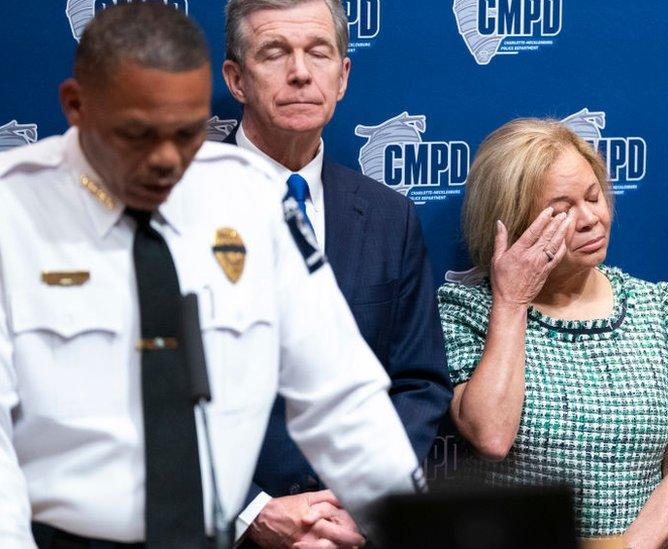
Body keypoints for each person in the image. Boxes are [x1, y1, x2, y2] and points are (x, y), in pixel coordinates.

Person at [0, 4, 420, 547]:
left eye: (187, 132)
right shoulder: (12, 212)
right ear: (76, 106)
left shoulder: (250, 199)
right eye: (137, 134)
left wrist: (407, 529)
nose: (167, 160)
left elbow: (340, 395)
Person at [219, 0, 451, 545]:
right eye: (274, 53)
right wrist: (251, 511)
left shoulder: (391, 216)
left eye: (318, 52)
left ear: (342, 76)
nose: (300, 72)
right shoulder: (172, 207)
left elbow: (419, 383)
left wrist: (361, 505)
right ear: (236, 79)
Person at [438, 118, 668, 547]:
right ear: (513, 222)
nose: (592, 219)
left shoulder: (658, 307)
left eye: (594, 197)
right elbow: (491, 437)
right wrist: (512, 302)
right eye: (563, 209)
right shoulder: (467, 308)